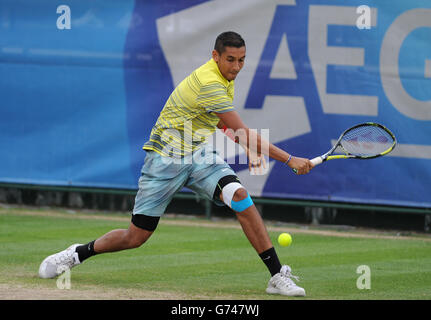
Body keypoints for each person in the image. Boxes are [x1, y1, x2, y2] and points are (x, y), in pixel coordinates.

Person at [38, 31, 313, 297]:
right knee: (135, 237)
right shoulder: (210, 83)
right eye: (231, 59)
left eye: (242, 60)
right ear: (215, 56)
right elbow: (241, 129)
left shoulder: (223, 78)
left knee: (240, 196)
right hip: (164, 160)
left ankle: (276, 276)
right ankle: (76, 253)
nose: (237, 66)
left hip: (198, 155)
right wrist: (290, 159)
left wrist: (245, 146)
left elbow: (217, 120)